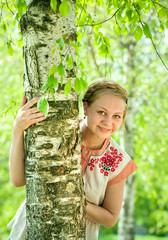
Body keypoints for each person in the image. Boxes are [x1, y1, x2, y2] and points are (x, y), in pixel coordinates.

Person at [8, 79, 137, 240]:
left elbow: (110, 218)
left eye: (116, 116)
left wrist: (71, 198)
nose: (108, 122)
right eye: (101, 112)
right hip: (30, 230)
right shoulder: (56, 131)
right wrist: (17, 130)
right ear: (85, 107)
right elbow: (18, 180)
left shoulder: (118, 161)